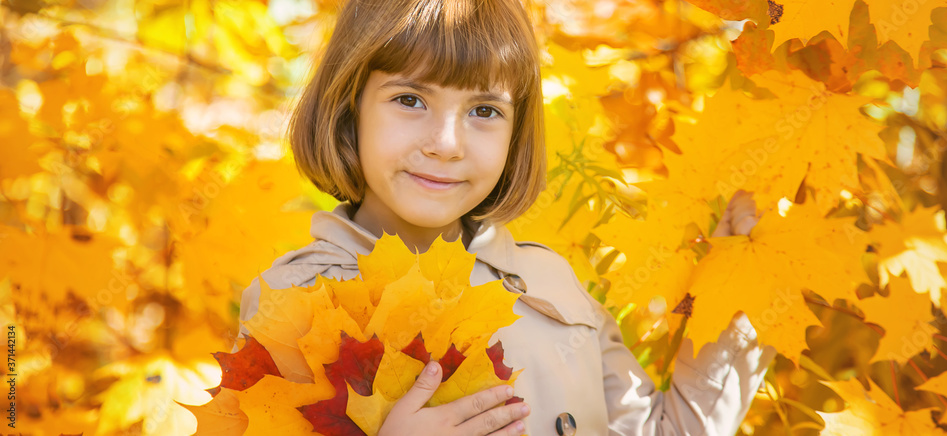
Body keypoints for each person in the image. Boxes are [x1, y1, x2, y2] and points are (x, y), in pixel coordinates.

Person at [236, 0, 777, 434]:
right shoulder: (301, 294)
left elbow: (665, 428)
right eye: (409, 100)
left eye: (484, 111)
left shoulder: (547, 280)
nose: (446, 144)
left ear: (516, 131)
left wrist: (745, 286)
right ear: (349, 105)